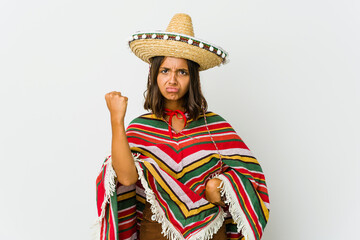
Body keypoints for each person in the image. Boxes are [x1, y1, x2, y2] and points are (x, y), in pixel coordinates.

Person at [95, 13, 270, 240]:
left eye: (182, 72)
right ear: (154, 76)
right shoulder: (141, 127)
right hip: (157, 231)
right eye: (165, 71)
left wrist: (221, 187)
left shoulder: (214, 126)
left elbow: (251, 178)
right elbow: (126, 178)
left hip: (209, 231)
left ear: (193, 78)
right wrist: (116, 121)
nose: (172, 80)